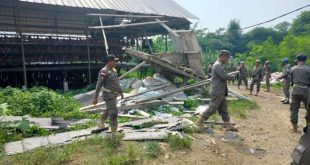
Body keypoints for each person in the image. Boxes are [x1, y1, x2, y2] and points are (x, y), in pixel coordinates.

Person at [196, 50, 238, 131]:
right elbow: (223, 76)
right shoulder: (217, 65)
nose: (227, 60)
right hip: (217, 91)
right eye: (227, 58)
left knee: (223, 109)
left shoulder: (219, 65)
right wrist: (231, 77)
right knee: (212, 108)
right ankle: (199, 122)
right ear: (223, 56)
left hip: (220, 92)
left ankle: (228, 125)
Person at [93, 55, 124, 134]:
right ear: (109, 61)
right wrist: (95, 97)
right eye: (114, 61)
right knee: (113, 112)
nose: (116, 63)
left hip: (114, 94)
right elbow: (99, 84)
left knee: (109, 109)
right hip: (108, 95)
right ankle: (114, 132)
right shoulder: (103, 71)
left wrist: (120, 91)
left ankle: (101, 121)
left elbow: (116, 82)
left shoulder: (113, 70)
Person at [289, 54, 310, 132]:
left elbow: (291, 82)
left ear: (297, 60)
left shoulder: (292, 69)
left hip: (295, 90)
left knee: (294, 109)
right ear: (306, 60)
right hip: (306, 91)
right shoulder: (308, 69)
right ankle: (308, 125)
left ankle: (294, 127)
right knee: (308, 109)